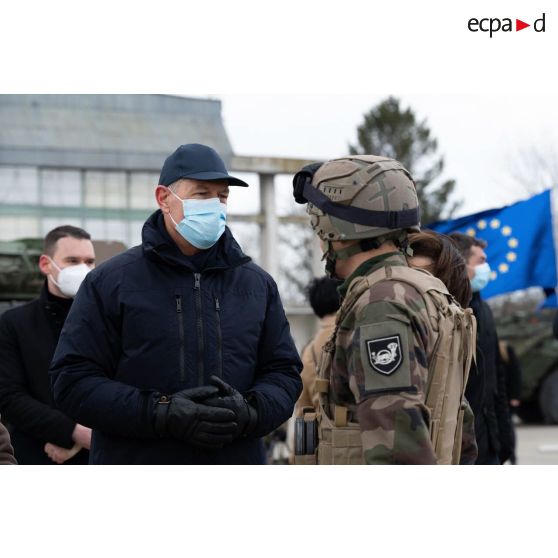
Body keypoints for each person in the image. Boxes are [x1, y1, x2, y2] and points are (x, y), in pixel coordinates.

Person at [50, 143, 302, 465]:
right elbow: (72, 381)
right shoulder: (110, 282)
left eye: (222, 196)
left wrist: (252, 412)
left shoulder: (257, 285)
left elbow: (284, 373)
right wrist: (160, 411)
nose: (215, 205)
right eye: (200, 194)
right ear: (163, 198)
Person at [292, 155, 476, 464]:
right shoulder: (427, 291)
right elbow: (461, 420)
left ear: (333, 230)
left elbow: (396, 441)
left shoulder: (383, 304)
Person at [0, 226, 95, 464]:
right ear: (46, 264)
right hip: (33, 454)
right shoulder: (14, 323)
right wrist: (72, 432)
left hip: (99, 454)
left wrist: (88, 439)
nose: (82, 268)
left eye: (89, 261)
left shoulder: (107, 320)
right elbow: (10, 397)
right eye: (72, 260)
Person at [449, 232, 514, 465]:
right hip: (459, 445)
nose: (487, 267)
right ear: (461, 264)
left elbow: (496, 377)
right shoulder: (446, 311)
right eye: (481, 261)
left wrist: (505, 437)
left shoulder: (484, 310)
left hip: (489, 441)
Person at [294, 276, 341, 416]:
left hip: (323, 432)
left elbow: (303, 407)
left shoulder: (308, 351)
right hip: (358, 429)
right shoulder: (353, 334)